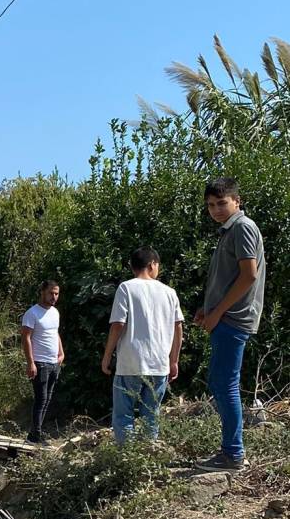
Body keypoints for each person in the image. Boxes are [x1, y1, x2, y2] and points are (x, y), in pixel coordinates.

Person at [193, 177, 266, 470]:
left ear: (237, 201)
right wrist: (206, 308)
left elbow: (249, 275)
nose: (216, 210)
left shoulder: (242, 227)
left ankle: (233, 454)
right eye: (211, 205)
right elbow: (228, 279)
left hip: (233, 318)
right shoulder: (229, 231)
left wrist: (218, 312)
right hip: (225, 316)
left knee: (225, 384)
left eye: (222, 203)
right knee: (221, 382)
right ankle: (230, 451)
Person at [102, 247, 183, 444]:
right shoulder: (169, 292)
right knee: (151, 416)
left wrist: (107, 357)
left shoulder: (126, 288)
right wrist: (174, 361)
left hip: (130, 362)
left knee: (123, 416)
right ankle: (149, 454)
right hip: (159, 364)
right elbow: (178, 328)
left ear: (132, 266)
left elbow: (118, 325)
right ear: (152, 264)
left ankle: (127, 460)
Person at [21, 281, 63, 442]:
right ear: (42, 292)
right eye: (51, 293)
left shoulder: (55, 312)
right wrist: (30, 362)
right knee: (41, 399)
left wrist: (61, 352)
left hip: (54, 363)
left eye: (56, 294)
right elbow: (26, 337)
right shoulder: (32, 313)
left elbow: (55, 333)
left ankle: (36, 433)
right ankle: (34, 436)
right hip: (40, 363)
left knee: (47, 399)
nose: (54, 297)